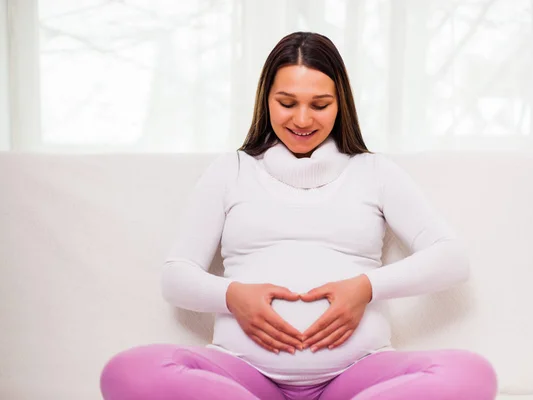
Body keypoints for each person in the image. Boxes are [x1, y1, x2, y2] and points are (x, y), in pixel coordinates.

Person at [100, 32, 497, 400]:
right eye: (287, 103)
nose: (303, 120)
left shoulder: (374, 172)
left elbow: (451, 258)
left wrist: (365, 288)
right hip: (243, 376)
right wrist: (233, 296)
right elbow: (175, 276)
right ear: (265, 100)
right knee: (127, 371)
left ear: (340, 103)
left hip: (358, 375)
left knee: (471, 373)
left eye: (320, 105)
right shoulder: (232, 170)